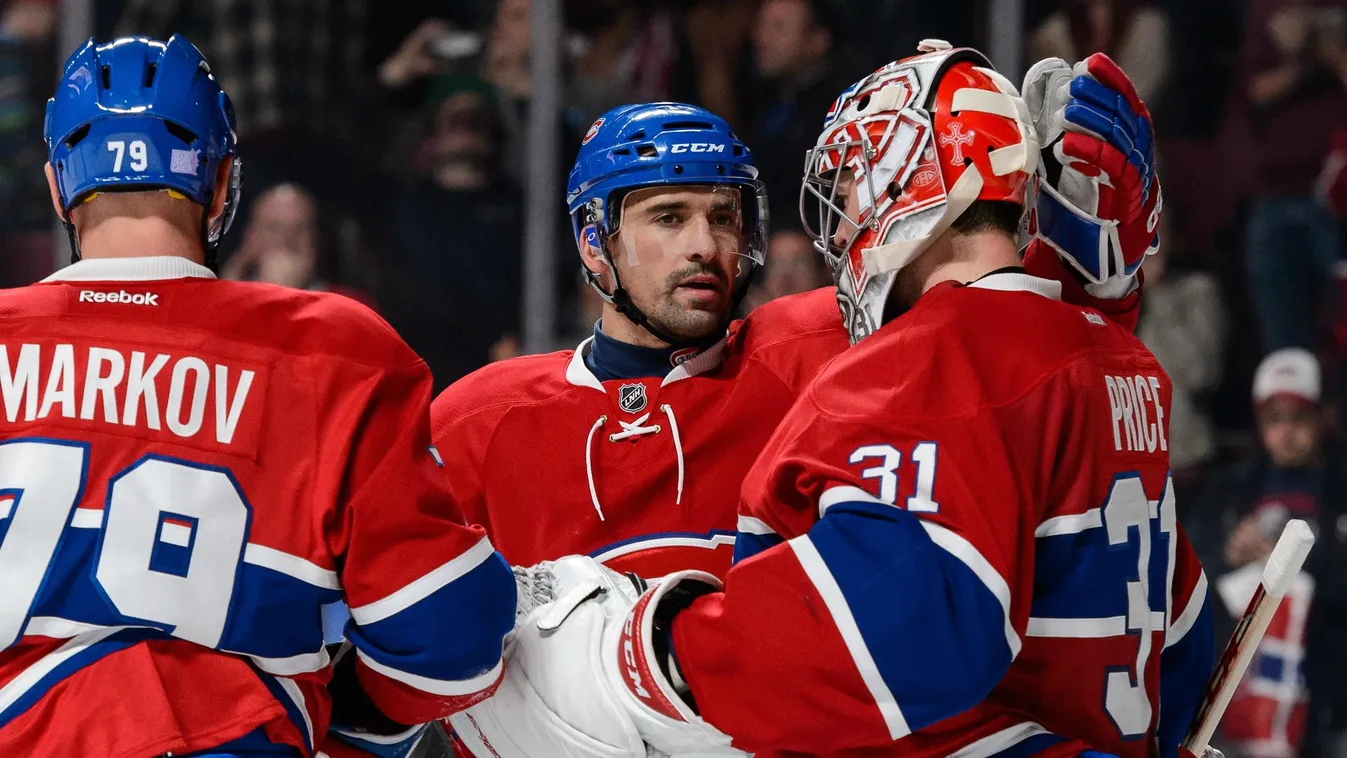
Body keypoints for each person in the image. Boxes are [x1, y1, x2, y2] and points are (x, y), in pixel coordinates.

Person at [449, 44, 1207, 758]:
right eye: (669, 216)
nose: (704, 245)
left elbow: (901, 619)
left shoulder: (851, 347)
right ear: (593, 243)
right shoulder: (477, 420)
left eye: (722, 217)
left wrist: (661, 658)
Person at [0, 35, 515, 757]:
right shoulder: (331, 348)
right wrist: (351, 724)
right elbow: (450, 639)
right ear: (220, 185)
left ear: (59, 188)